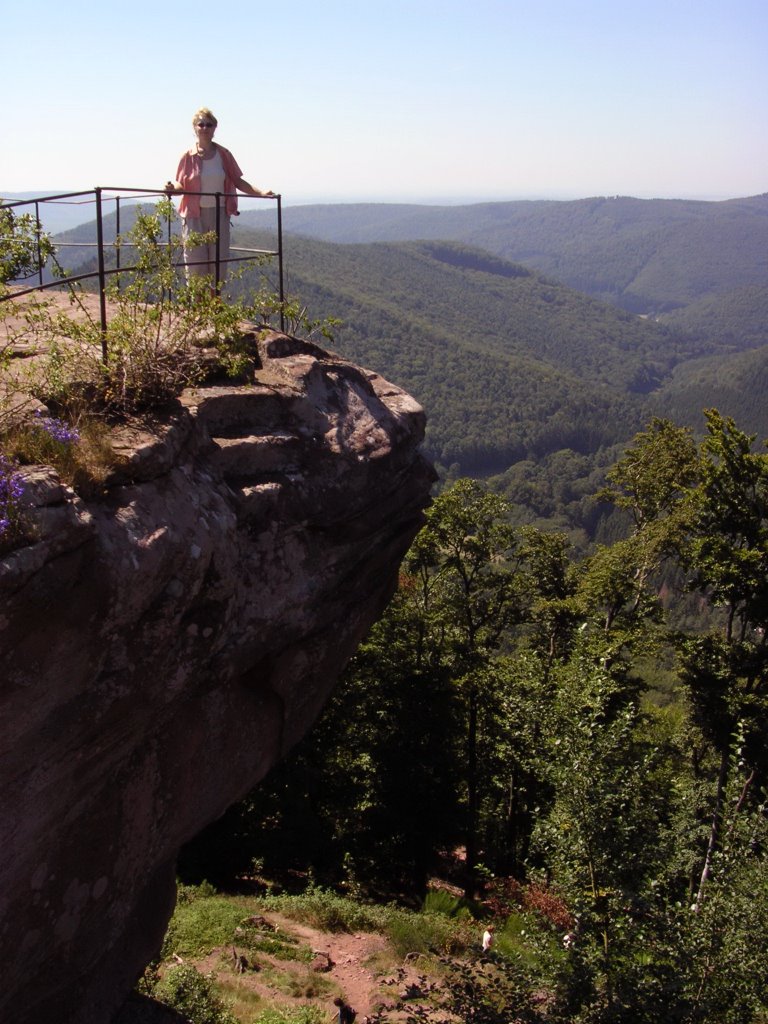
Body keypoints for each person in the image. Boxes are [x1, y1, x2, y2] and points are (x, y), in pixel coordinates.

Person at [166, 107, 275, 288]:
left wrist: (261, 193)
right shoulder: (187, 157)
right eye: (201, 124)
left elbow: (238, 181)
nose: (205, 128)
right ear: (194, 128)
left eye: (209, 124)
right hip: (194, 216)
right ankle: (198, 310)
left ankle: (215, 309)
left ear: (215, 127)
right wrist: (170, 188)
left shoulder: (224, 155)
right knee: (195, 264)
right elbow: (180, 185)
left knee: (218, 264)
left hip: (220, 214)